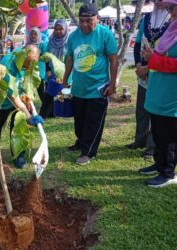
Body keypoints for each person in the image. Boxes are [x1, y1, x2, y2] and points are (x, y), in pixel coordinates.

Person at [62, 3, 118, 165]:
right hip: (79, 89)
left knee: (93, 123)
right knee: (79, 122)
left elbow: (113, 60)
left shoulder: (105, 34)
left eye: (89, 20)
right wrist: (65, 80)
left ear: (97, 19)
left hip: (98, 89)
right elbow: (70, 59)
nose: (85, 24)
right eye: (81, 20)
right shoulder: (73, 37)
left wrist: (112, 84)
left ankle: (88, 152)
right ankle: (81, 142)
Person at [0, 45, 44, 168]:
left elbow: (28, 81)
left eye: (31, 64)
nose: (28, 68)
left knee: (19, 127)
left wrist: (28, 99)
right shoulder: (7, 66)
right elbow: (13, 97)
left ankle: (18, 154)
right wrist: (29, 116)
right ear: (22, 57)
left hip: (19, 99)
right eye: (26, 65)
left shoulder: (29, 62)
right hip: (0, 100)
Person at [139, 0, 177, 187]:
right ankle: (159, 163)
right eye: (168, 9)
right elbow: (164, 57)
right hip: (158, 91)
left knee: (167, 136)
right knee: (158, 132)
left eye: (173, 8)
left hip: (171, 95)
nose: (170, 13)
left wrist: (153, 59)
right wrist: (151, 56)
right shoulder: (172, 29)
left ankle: (168, 173)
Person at [126, 0, 170, 159]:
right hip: (143, 71)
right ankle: (140, 140)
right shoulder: (147, 18)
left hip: (159, 73)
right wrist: (138, 65)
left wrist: (149, 69)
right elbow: (137, 44)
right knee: (141, 109)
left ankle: (152, 147)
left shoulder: (172, 20)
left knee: (155, 111)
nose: (158, 2)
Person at [39, 19, 69, 119]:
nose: (58, 31)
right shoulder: (51, 41)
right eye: (56, 29)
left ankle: (61, 112)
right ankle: (46, 114)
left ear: (65, 29)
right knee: (50, 93)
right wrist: (48, 70)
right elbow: (47, 56)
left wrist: (66, 72)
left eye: (61, 29)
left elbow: (70, 57)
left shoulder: (68, 42)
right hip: (52, 72)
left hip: (65, 72)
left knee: (63, 93)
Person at [25, 27, 48, 106]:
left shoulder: (42, 45)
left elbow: (46, 57)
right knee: (29, 91)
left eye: (35, 34)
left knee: (41, 91)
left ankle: (48, 109)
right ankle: (30, 107)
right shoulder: (27, 44)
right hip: (28, 71)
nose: (33, 36)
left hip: (39, 71)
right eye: (31, 34)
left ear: (38, 35)